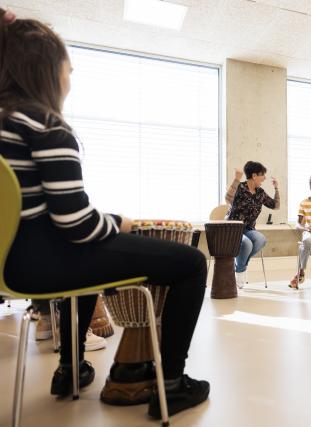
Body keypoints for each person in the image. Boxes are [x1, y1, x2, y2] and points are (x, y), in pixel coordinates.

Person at [0, 9, 209, 418]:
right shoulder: (46, 126)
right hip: (39, 267)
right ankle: (172, 383)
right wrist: (119, 222)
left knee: (89, 255)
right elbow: (78, 226)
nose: (70, 79)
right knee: (191, 263)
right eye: (69, 70)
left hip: (9, 266)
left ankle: (70, 368)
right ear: (48, 72)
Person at [225, 161, 280, 288]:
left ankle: (240, 266)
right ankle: (240, 270)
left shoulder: (260, 192)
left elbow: (276, 206)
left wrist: (276, 188)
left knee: (261, 240)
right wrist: (236, 179)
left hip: (249, 228)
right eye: (262, 175)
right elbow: (228, 199)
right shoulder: (240, 187)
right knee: (246, 243)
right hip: (234, 228)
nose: (264, 178)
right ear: (254, 175)